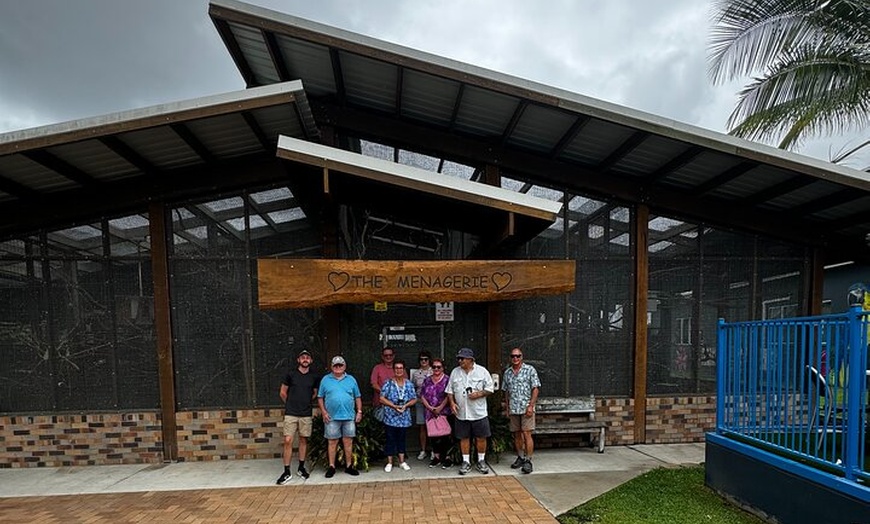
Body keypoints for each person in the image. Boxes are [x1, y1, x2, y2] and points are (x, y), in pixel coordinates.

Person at [446, 347, 495, 475]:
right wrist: (452, 403)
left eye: (462, 358)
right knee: (464, 438)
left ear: (470, 359)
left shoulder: (482, 371)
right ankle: (466, 462)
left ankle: (481, 461)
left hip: (478, 412)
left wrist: (479, 394)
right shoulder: (455, 372)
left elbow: (490, 388)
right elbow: (450, 391)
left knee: (481, 437)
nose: (460, 361)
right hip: (462, 413)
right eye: (459, 358)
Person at [276, 349, 320, 484]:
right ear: (298, 360)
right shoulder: (291, 374)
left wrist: (305, 402)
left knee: (303, 440)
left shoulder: (314, 377)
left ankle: (301, 467)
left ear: (311, 360)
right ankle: (286, 471)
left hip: (305, 413)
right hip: (291, 413)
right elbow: (283, 392)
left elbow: (315, 393)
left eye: (307, 357)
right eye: (302, 357)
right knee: (288, 440)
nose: (305, 359)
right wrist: (291, 404)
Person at [317, 355, 363, 478]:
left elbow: (357, 397)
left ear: (344, 366)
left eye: (340, 365)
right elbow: (320, 397)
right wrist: (324, 412)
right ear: (332, 367)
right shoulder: (325, 380)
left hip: (349, 417)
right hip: (331, 417)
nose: (338, 367)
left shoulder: (351, 380)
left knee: (348, 442)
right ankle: (331, 467)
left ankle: (349, 466)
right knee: (332, 442)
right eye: (335, 365)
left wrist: (359, 411)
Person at [502, 348, 540, 474]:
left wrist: (531, 406)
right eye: (513, 356)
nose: (515, 358)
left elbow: (535, 389)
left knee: (526, 433)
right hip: (514, 408)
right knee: (517, 434)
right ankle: (520, 457)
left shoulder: (530, 370)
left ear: (522, 357)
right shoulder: (507, 373)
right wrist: (507, 408)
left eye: (518, 356)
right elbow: (506, 391)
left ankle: (528, 460)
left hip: (526, 407)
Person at [379, 359, 417, 472]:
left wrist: (406, 405)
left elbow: (414, 399)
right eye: (396, 368)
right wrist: (393, 406)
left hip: (404, 417)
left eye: (401, 368)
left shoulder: (408, 384)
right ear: (393, 370)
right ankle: (389, 462)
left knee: (402, 439)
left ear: (404, 369)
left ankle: (402, 461)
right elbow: (382, 398)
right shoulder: (388, 383)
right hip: (390, 417)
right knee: (390, 439)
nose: (398, 370)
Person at [419, 357, 452, 468]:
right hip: (430, 412)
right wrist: (429, 408)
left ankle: (447, 457)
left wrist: (440, 407)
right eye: (434, 367)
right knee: (433, 436)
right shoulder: (427, 380)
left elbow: (449, 395)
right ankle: (436, 457)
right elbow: (422, 395)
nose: (436, 369)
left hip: (444, 412)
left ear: (443, 368)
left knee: (445, 436)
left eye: (439, 367)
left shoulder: (447, 379)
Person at [411, 350, 433, 460]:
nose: (423, 361)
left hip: (432, 403)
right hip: (420, 402)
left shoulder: (434, 370)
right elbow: (413, 387)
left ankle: (434, 450)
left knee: (433, 426)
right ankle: (423, 450)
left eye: (426, 359)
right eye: (421, 359)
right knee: (422, 427)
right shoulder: (415, 373)